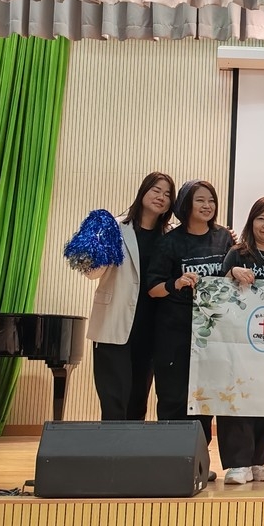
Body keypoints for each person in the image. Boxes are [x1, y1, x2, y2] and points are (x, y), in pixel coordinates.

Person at [147, 180, 234, 453]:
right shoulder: (169, 242)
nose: (207, 205)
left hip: (211, 334)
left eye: (211, 200)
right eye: (200, 200)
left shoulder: (224, 238)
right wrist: (176, 283)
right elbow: (153, 288)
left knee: (204, 398)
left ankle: (198, 460)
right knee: (173, 397)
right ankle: (170, 457)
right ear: (186, 204)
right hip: (174, 333)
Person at [82, 172, 176, 422]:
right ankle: (111, 447)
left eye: (167, 194)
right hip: (114, 322)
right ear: (143, 191)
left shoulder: (171, 235)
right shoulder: (114, 227)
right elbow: (91, 272)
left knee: (138, 402)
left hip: (151, 327)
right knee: (114, 401)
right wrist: (91, 247)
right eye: (156, 190)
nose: (161, 197)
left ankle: (133, 447)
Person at [218, 196, 264, 485]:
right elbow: (217, 291)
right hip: (238, 342)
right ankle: (238, 463)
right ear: (251, 221)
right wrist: (231, 273)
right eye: (261, 218)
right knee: (237, 397)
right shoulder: (237, 254)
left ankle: (258, 460)